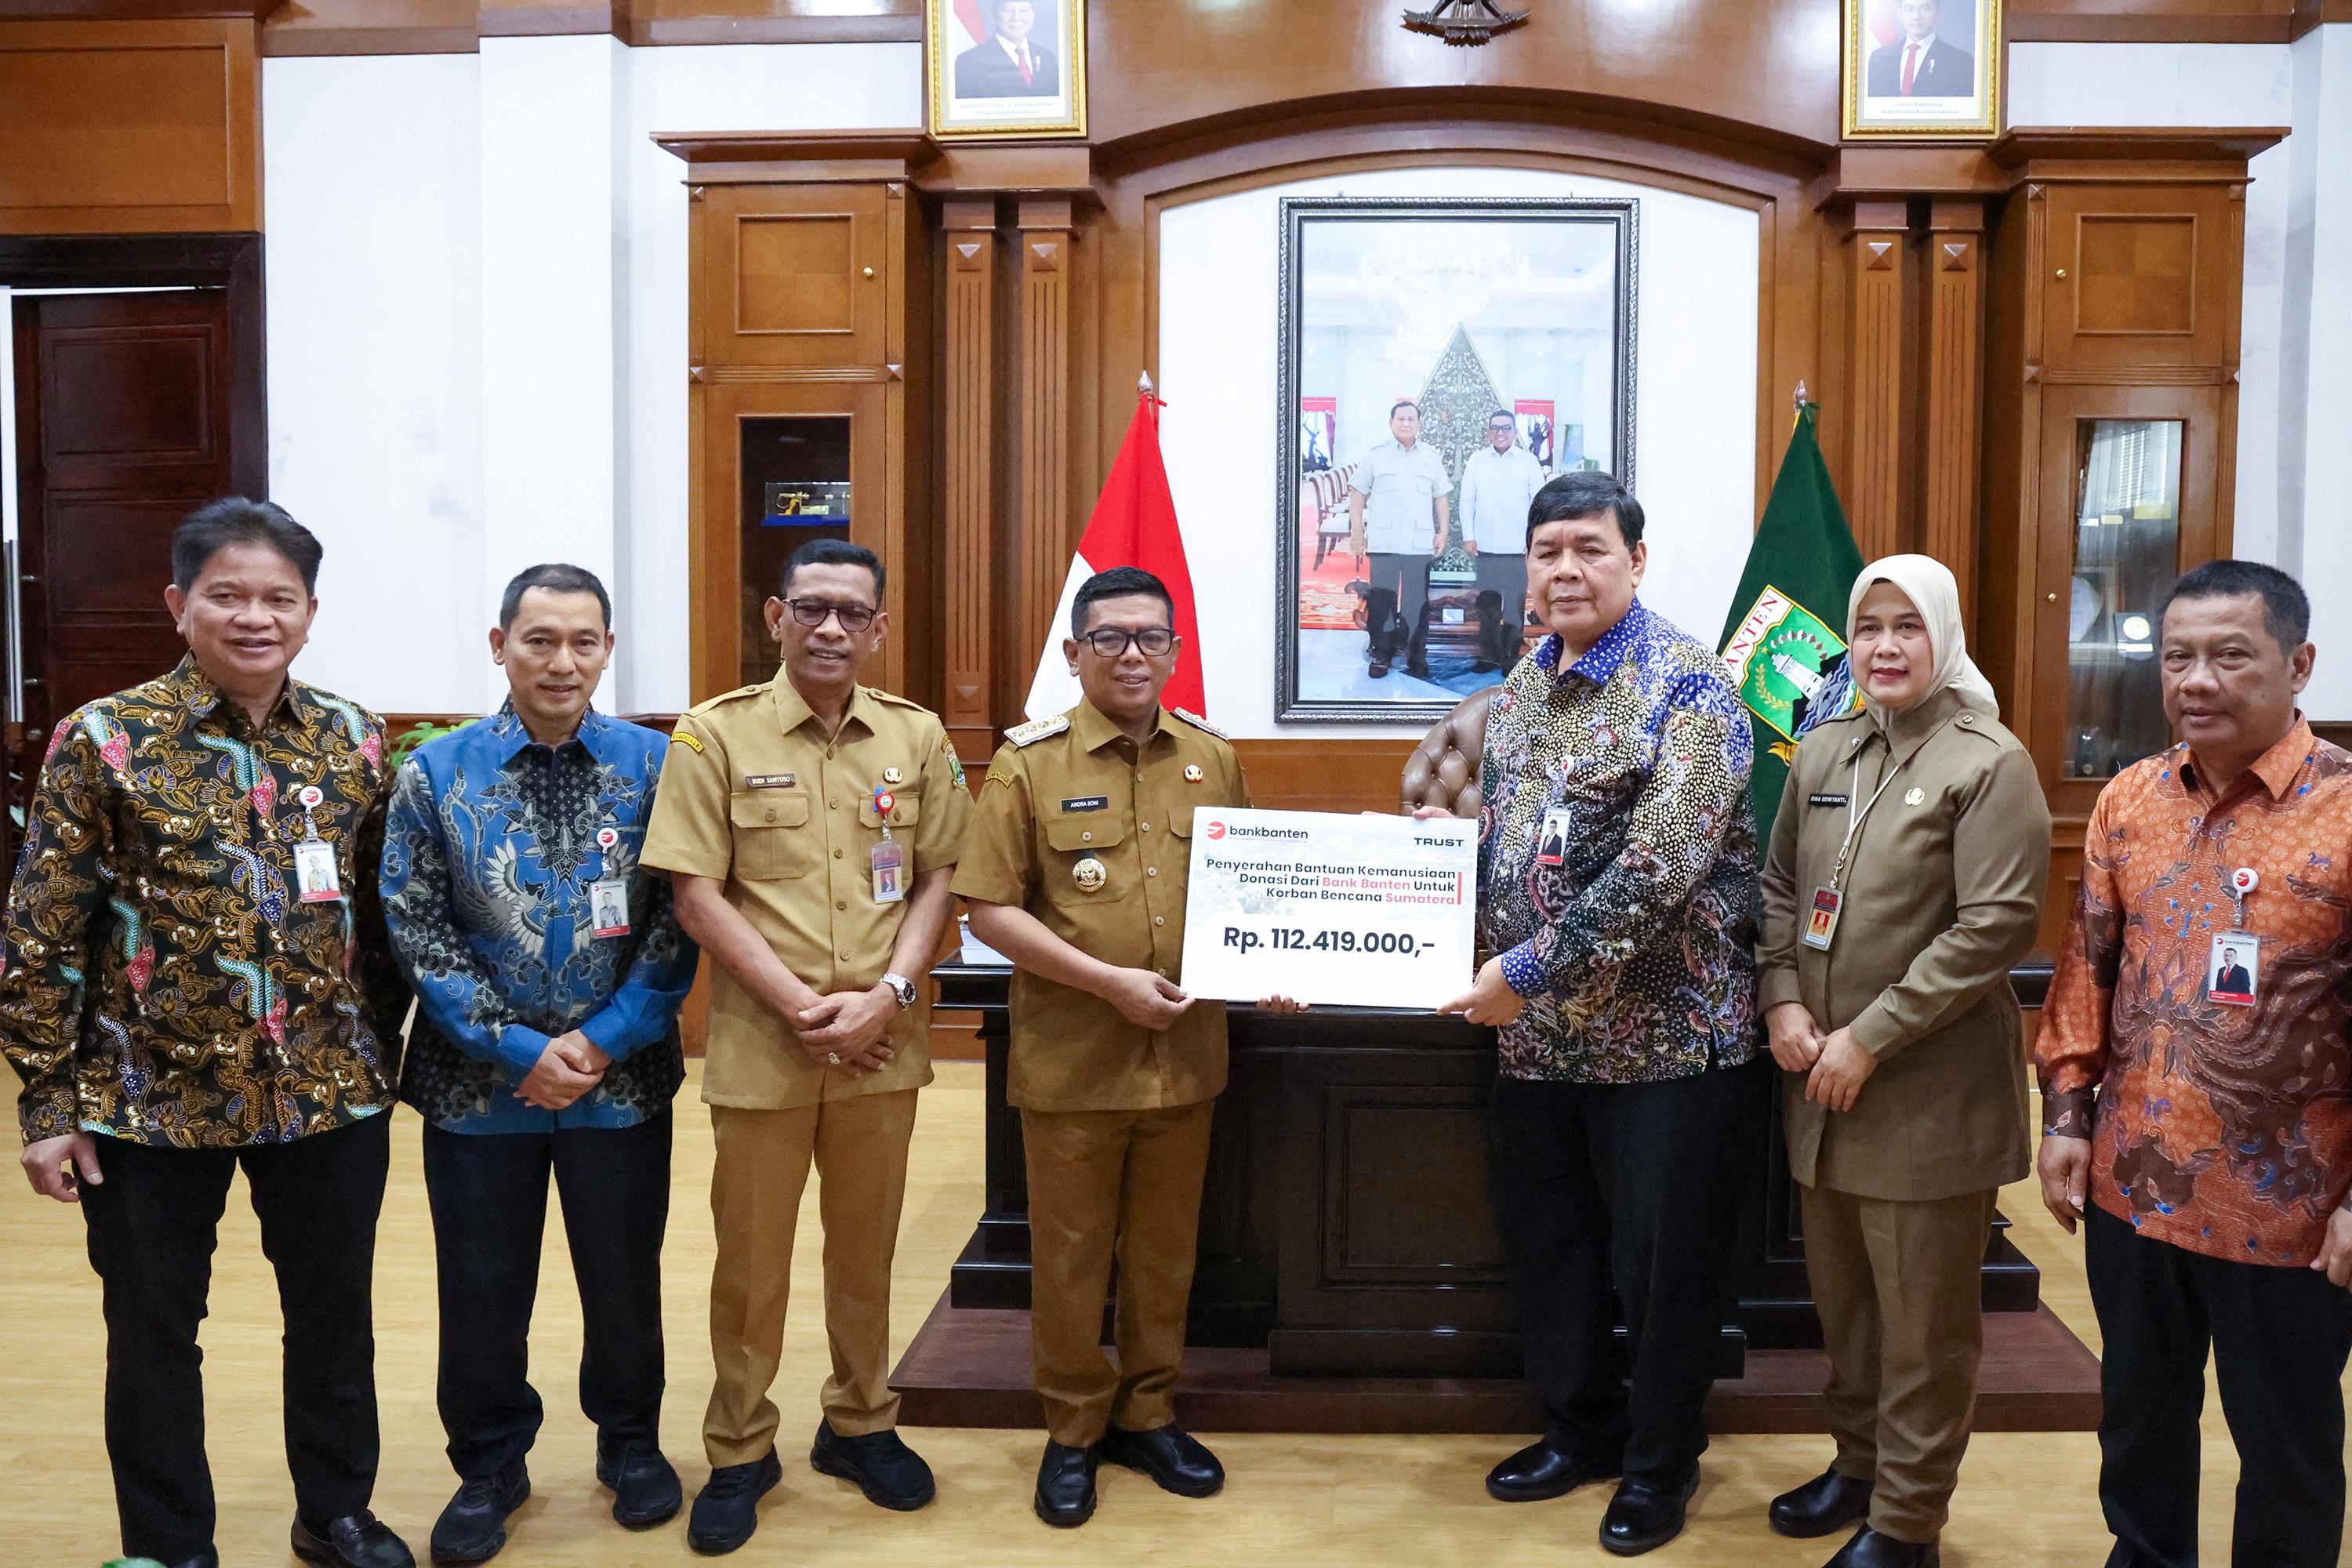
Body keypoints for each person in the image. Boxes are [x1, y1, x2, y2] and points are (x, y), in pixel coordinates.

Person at [0, 498, 414, 1568]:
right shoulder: (102, 742)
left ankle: (336, 1515)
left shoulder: (354, 736)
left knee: (333, 1322)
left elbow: (379, 920)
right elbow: (43, 930)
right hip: (145, 1101)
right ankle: (170, 1544)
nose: (254, 617)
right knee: (153, 1338)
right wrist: (47, 1105)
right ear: (181, 605)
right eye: (227, 595)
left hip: (326, 1096)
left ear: (311, 613)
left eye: (278, 598)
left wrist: (378, 1054)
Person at [1436, 470, 1763, 1558]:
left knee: (1664, 1276)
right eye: (1547, 552)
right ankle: (1580, 1431)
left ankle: (1659, 1465)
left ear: (1636, 560)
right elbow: (1508, 843)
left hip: (1671, 1044)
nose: (1565, 569)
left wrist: (1525, 969)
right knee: (1555, 1252)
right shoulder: (1529, 679)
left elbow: (1659, 871)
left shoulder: (1692, 690)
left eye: (1590, 549)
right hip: (1537, 1047)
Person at [641, 538, 972, 1555]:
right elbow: (695, 890)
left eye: (853, 614)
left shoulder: (916, 741)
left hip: (882, 1045)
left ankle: (860, 1423)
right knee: (752, 1265)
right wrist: (798, 1005)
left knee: (865, 1254)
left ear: (879, 629)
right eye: (812, 609)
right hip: (763, 1048)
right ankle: (741, 1449)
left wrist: (892, 994)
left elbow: (941, 878)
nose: (832, 629)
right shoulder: (714, 737)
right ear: (777, 618)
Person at [955, 567, 1301, 1529]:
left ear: (1177, 652)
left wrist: (1275, 956)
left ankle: (1147, 1411)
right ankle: (1072, 1429)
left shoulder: (1212, 758)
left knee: (1163, 1254)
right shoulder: (1029, 763)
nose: (1134, 654)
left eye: (1152, 637)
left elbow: (1253, 891)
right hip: (1075, 1057)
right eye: (1111, 638)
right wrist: (1109, 983)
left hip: (1186, 1056)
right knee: (1069, 1256)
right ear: (1075, 653)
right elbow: (988, 908)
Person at [2035, 559, 2352, 1568]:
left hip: (2291, 1215)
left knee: (2288, 1449)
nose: (2198, 680)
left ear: (2298, 664)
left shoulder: (2345, 810)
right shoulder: (2131, 798)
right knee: (2138, 1425)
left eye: (2230, 655)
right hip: (2139, 1191)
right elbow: (2086, 974)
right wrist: (2065, 1119)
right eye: (2178, 657)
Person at [379, 564, 699, 1563]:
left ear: (608, 648)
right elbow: (415, 928)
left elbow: (680, 920)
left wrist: (602, 1038)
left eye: (584, 641)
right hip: (479, 1087)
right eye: (540, 640)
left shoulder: (658, 767)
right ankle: (488, 1463)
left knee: (623, 1274)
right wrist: (518, 1046)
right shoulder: (435, 774)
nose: (562, 662)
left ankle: (631, 1440)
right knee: (480, 1283)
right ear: (499, 643)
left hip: (623, 1080)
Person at [1758, 556, 2052, 1568]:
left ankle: (1909, 1522)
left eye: (1906, 628)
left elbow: (1994, 928)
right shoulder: (1824, 750)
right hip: (1823, 1091)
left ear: (1945, 638)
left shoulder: (1987, 760)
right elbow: (1778, 893)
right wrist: (1783, 1000)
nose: (1884, 647)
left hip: (1925, 1098)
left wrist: (1870, 1036)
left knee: (1926, 1328)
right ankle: (1858, 1466)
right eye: (1868, 627)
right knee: (1849, 1308)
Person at [1348, 399, 1453, 679]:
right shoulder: (1376, 455)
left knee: (1416, 603)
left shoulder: (1430, 456)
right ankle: (1381, 655)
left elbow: (1440, 495)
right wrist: (1357, 532)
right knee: (1382, 602)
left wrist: (1443, 531)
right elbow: (1357, 494)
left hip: (1419, 545)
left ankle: (1416, 656)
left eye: (1411, 419)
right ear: (1391, 423)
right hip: (1384, 543)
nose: (1406, 424)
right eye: (1400, 419)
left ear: (1419, 424)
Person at [1458, 408, 1544, 625]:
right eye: (1495, 428)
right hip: (1485, 547)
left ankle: (1511, 656)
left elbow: (1540, 504)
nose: (1500, 432)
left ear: (1514, 432)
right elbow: (1467, 501)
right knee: (1487, 605)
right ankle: (1489, 656)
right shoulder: (1477, 460)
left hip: (1517, 548)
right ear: (1488, 432)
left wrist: (1533, 539)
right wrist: (1469, 537)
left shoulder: (1528, 461)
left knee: (1515, 607)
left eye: (1506, 428)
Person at [1865, 0, 1974, 99]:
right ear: (1900, 14)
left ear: (1938, 13)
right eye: (1909, 9)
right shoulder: (1878, 58)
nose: (1916, 16)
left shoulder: (1961, 61)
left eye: (1925, 8)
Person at [953, 0, 1058, 98]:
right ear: (993, 15)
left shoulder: (1047, 57)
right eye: (1007, 10)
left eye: (1023, 11)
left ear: (1033, 15)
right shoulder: (969, 62)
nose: (1016, 18)